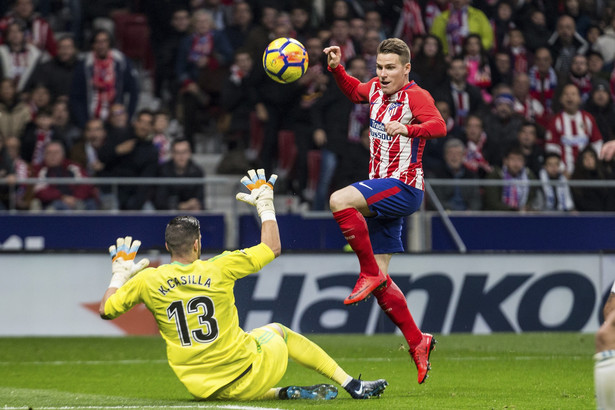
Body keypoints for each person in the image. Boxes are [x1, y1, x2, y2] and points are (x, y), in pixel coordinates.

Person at [98, 169, 388, 401]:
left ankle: (282, 394)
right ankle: (352, 385)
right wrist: (265, 206)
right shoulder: (219, 267)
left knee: (245, 356)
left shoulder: (148, 280)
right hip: (246, 373)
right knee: (278, 332)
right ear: (197, 244)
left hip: (201, 389)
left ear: (167, 246)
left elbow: (106, 311)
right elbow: (272, 247)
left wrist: (119, 275)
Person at [323, 38, 446, 384]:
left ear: (407, 69)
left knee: (338, 200)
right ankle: (418, 342)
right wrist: (337, 69)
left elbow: (439, 126)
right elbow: (354, 91)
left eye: (391, 67)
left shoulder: (415, 96)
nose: (383, 73)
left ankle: (366, 272)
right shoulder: (375, 89)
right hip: (384, 189)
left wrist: (408, 128)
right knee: (382, 280)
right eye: (379, 67)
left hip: (404, 187)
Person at [154, 139, 205, 211]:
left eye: (184, 152)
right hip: (167, 214)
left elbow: (200, 200)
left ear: (189, 153)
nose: (181, 156)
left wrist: (193, 204)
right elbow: (160, 201)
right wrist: (180, 206)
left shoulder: (197, 171)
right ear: (172, 154)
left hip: (191, 214)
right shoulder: (163, 170)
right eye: (177, 152)